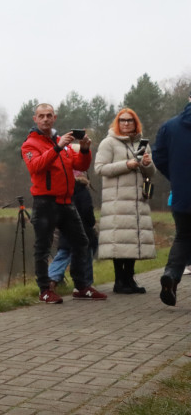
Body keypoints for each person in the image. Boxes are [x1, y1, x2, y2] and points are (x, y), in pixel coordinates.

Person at [21, 103, 104, 303]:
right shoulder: (30, 144)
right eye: (41, 116)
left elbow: (81, 165)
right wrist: (57, 148)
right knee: (42, 247)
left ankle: (81, 286)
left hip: (66, 201)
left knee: (82, 242)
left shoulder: (63, 142)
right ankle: (44, 290)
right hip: (44, 202)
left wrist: (84, 150)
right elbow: (36, 167)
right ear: (35, 119)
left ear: (55, 117)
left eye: (49, 115)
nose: (45, 119)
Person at [94, 108, 156, 294]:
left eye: (130, 120)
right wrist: (126, 165)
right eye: (122, 120)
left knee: (132, 240)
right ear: (117, 122)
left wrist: (147, 164)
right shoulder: (108, 143)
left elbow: (151, 172)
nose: (126, 123)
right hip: (117, 201)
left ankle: (129, 280)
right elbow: (99, 168)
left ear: (136, 123)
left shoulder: (142, 143)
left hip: (138, 200)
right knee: (118, 241)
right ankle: (119, 281)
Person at [153, 92, 191, 306]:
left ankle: (171, 275)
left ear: (189, 98)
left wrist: (176, 178)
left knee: (183, 237)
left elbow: (158, 156)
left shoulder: (170, 126)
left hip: (182, 194)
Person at [47, 170, 97, 292]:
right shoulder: (83, 190)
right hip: (83, 231)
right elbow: (87, 210)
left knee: (63, 254)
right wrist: (92, 223)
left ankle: (50, 279)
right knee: (86, 256)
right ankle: (85, 284)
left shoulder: (62, 190)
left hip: (66, 230)